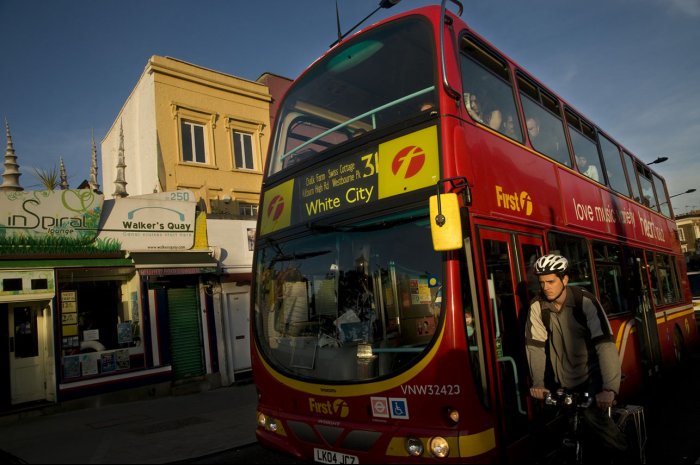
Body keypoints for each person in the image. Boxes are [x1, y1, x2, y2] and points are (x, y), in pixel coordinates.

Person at [524, 254, 628, 456]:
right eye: (542, 282)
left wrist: (609, 389)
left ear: (565, 279)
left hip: (592, 379)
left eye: (551, 281)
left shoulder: (585, 302)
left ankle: (625, 455)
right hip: (562, 381)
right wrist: (538, 383)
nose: (546, 287)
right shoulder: (537, 307)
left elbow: (605, 346)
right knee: (549, 429)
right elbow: (534, 347)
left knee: (593, 418)